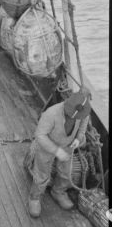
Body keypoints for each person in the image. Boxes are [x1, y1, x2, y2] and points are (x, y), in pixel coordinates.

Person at [26, 90, 91, 218]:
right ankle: (34, 197)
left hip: (68, 144)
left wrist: (78, 138)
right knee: (41, 174)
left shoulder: (83, 112)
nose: (73, 117)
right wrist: (56, 151)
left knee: (66, 173)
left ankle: (58, 191)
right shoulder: (51, 114)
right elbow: (40, 135)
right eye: (71, 114)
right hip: (47, 145)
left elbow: (83, 122)